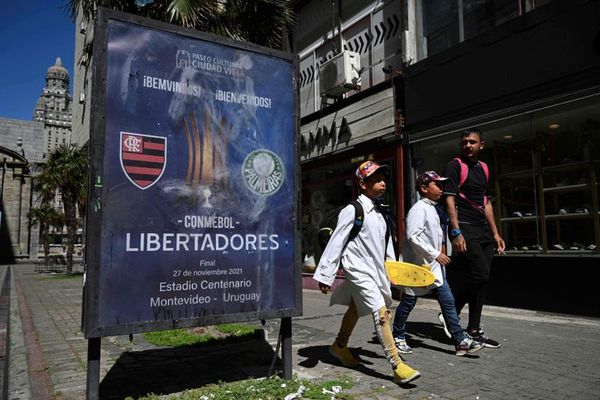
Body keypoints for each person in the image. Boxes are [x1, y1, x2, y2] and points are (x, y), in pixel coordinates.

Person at [313, 160, 421, 385]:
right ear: (363, 184)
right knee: (380, 312)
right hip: (357, 269)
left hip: (375, 270)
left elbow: (387, 245)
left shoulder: (381, 213)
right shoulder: (354, 209)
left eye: (384, 180)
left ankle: (339, 346)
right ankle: (397, 364)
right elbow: (337, 241)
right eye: (377, 180)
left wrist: (393, 269)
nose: (383, 184)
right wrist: (326, 275)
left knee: (355, 307)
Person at [391, 171, 484, 356]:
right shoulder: (419, 209)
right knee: (408, 302)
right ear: (424, 188)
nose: (441, 188)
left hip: (433, 267)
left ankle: (460, 341)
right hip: (417, 267)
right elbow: (412, 236)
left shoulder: (433, 208)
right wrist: (436, 254)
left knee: (448, 302)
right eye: (437, 185)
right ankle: (398, 335)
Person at [443, 128, 505, 348]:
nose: (468, 145)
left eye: (472, 142)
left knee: (482, 280)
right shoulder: (455, 165)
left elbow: (486, 202)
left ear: (482, 145)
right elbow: (449, 199)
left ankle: (473, 329)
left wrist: (496, 232)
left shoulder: (485, 168)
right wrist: (456, 231)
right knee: (480, 275)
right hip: (466, 228)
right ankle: (452, 313)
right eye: (464, 142)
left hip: (483, 230)